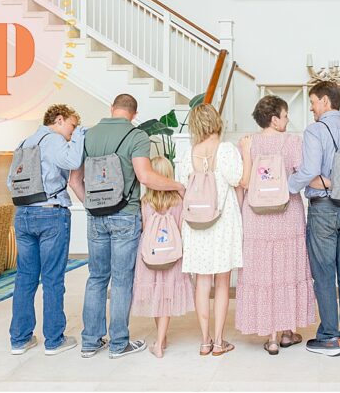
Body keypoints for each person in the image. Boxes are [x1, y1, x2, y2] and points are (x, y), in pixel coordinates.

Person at [75, 94, 185, 359]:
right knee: (122, 280)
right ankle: (118, 344)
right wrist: (177, 185)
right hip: (125, 214)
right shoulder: (136, 136)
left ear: (112, 109)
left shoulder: (88, 135)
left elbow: (74, 179)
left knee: (97, 278)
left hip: (96, 215)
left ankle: (90, 342)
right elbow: (145, 176)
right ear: (134, 114)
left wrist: (89, 204)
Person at [288, 81, 340, 357]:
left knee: (324, 272)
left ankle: (328, 337)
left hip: (324, 207)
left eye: (313, 101)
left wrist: (288, 184)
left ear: (325, 101)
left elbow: (310, 168)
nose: (311, 107)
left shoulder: (315, 130)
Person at [235, 95, 316, 355]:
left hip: (256, 216)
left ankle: (270, 336)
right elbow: (303, 175)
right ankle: (286, 332)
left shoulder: (248, 143)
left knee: (263, 273)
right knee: (286, 271)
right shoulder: (293, 142)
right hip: (286, 214)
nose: (287, 119)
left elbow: (243, 182)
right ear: (274, 119)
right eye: (285, 115)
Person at [7, 104, 86, 356]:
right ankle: (54, 340)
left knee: (25, 278)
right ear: (59, 119)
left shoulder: (24, 142)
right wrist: (83, 135)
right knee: (52, 278)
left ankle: (20, 339)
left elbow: (11, 181)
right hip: (51, 213)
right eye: (72, 126)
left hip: (24, 214)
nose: (72, 133)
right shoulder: (52, 140)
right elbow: (73, 160)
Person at [175, 103, 244, 356]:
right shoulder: (226, 150)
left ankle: (204, 340)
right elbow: (238, 179)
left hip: (195, 224)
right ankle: (219, 341)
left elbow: (182, 185)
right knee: (223, 282)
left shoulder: (189, 153)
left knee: (202, 282)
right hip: (223, 222)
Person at [131, 156, 195, 358]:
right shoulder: (178, 201)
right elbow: (183, 228)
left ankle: (160, 339)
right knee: (166, 297)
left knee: (156, 296)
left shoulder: (145, 203)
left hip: (150, 258)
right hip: (172, 256)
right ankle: (160, 340)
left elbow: (142, 229)